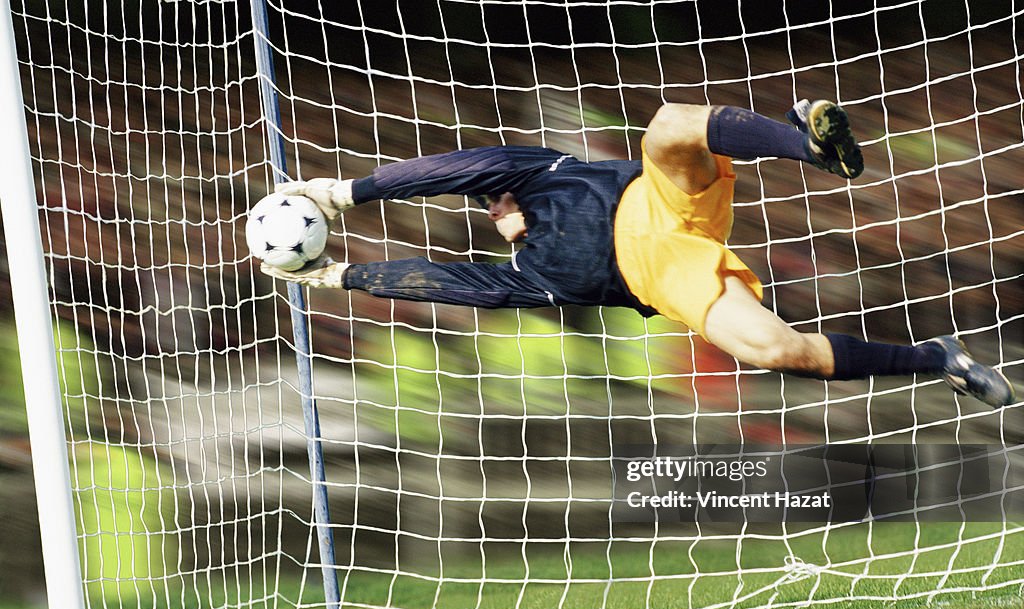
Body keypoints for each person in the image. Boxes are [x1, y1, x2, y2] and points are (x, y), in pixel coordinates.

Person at [260, 100, 1014, 408]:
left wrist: (346, 193)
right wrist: (345, 275)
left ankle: (808, 146)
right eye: (487, 208)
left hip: (659, 202)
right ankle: (936, 358)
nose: (493, 203)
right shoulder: (531, 275)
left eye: (488, 192)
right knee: (777, 351)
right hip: (666, 277)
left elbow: (454, 167)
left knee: (666, 127)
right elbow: (457, 285)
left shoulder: (537, 172)